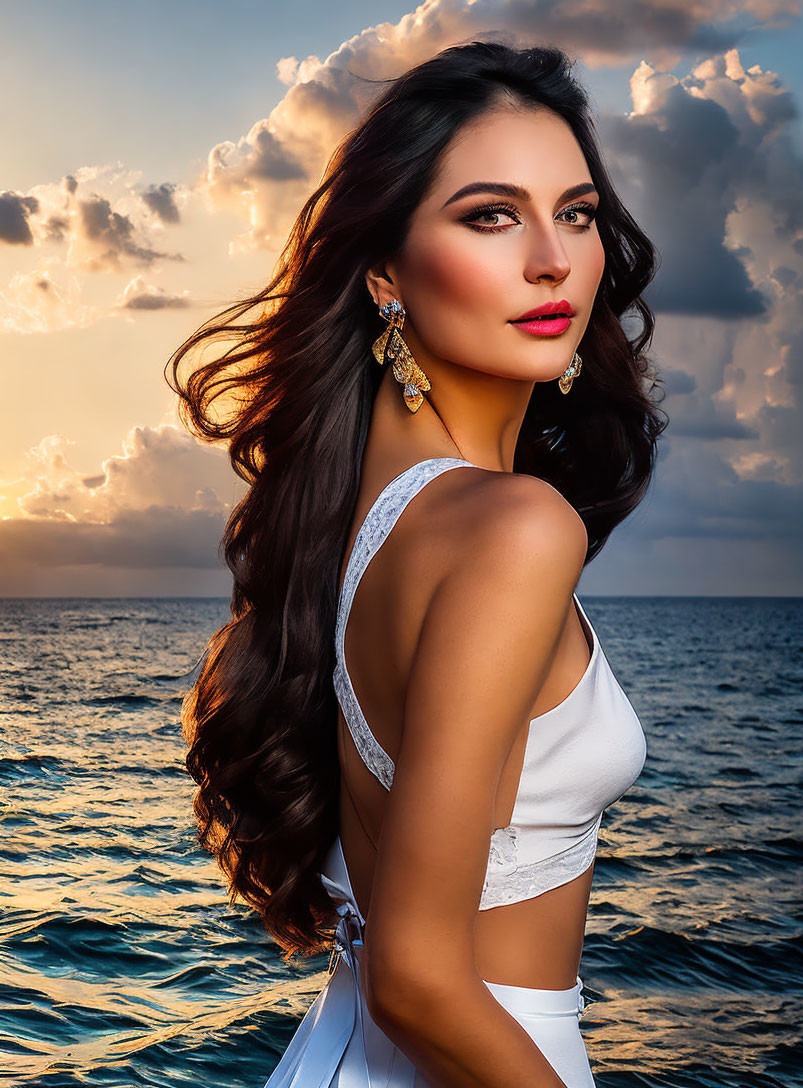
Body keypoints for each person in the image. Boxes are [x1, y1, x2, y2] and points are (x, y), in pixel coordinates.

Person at [165, 38, 667, 1088]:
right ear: (385, 272)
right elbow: (418, 976)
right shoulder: (514, 527)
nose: (552, 258)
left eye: (575, 213)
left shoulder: (353, 524)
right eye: (491, 215)